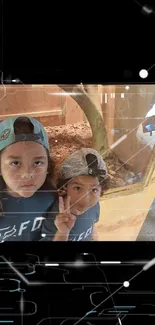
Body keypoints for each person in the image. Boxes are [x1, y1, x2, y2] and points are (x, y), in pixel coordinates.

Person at [0, 115, 57, 242]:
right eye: (15, 163)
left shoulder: (53, 198)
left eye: (37, 163)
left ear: (48, 165)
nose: (27, 174)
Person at [41, 148, 108, 241]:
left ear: (101, 190)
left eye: (94, 190)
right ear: (64, 187)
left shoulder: (94, 206)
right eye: (77, 188)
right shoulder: (57, 218)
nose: (85, 199)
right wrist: (62, 232)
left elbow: (92, 227)